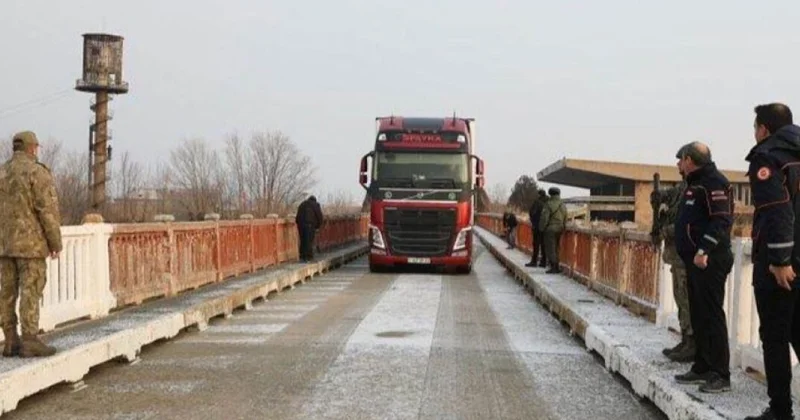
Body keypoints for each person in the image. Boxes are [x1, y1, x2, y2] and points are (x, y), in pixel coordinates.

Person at [744, 103, 800, 420]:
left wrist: (779, 258)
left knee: (775, 337)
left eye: (755, 128)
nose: (754, 134)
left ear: (764, 128)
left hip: (781, 265)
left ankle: (781, 411)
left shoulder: (768, 156)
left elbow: (778, 209)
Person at [673, 141, 734, 393]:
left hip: (709, 259)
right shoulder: (694, 183)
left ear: (689, 159)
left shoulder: (713, 182)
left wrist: (703, 249)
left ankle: (721, 374)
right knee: (698, 314)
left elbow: (721, 220)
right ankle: (702, 366)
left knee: (712, 314)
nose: (677, 164)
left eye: (680, 159)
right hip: (694, 261)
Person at [0, 131, 62, 358]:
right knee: (30, 290)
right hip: (31, 245)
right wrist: (55, 242)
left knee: (6, 292)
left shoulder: (2, 172)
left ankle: (9, 340)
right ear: (32, 148)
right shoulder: (37, 172)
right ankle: (29, 340)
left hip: (4, 245)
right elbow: (47, 211)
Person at [651, 177, 695, 362]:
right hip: (676, 255)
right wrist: (657, 196)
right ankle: (685, 339)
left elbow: (687, 223)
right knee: (680, 298)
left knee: (686, 300)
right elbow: (664, 196)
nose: (679, 164)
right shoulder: (680, 189)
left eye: (682, 160)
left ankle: (692, 343)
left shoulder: (694, 189)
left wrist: (665, 231)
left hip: (685, 255)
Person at [539, 187, 567, 274]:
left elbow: (544, 218)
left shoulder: (548, 204)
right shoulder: (562, 204)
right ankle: (557, 266)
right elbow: (566, 216)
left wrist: (541, 228)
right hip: (560, 228)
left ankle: (554, 267)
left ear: (550, 194)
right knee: (557, 247)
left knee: (550, 248)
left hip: (550, 229)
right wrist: (564, 226)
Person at [295, 195, 323, 262]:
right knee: (309, 241)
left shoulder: (302, 204)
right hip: (310, 224)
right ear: (315, 200)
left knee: (303, 240)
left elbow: (297, 216)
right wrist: (318, 226)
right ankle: (308, 257)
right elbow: (319, 216)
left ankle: (302, 256)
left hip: (300, 224)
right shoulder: (315, 205)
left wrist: (299, 223)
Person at [526, 189, 548, 268]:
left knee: (536, 244)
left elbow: (532, 213)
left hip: (537, 226)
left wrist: (533, 223)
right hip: (546, 227)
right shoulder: (548, 202)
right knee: (543, 244)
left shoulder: (537, 202)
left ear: (539, 195)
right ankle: (543, 262)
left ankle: (534, 261)